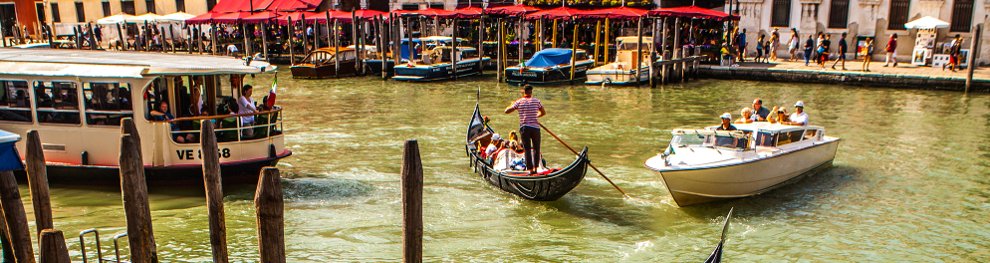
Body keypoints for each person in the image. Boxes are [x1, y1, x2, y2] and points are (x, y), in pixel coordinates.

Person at [504, 85, 546, 174]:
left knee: (527, 149)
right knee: (536, 148)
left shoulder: (519, 102)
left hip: (524, 128)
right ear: (531, 92)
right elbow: (543, 112)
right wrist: (535, 116)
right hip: (535, 128)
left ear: (524, 92)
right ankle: (535, 169)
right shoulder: (537, 101)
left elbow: (506, 111)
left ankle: (530, 170)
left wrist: (512, 105)